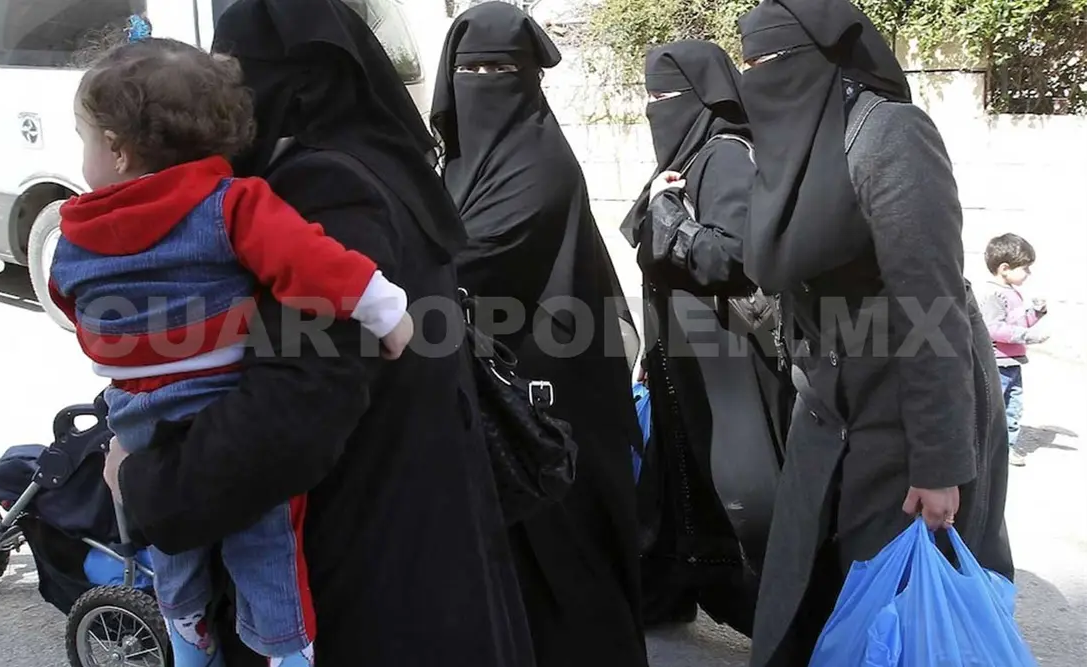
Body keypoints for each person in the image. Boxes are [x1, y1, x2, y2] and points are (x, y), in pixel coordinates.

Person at [102, 1, 535, 666]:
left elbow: (289, 414)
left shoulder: (320, 188)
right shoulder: (372, 161)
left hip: (362, 571)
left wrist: (143, 483)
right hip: (419, 537)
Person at [735, 1, 1013, 664]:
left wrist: (939, 464)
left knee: (891, 604)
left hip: (902, 410)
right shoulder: (798, 149)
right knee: (810, 585)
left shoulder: (889, 135)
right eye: (747, 67)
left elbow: (933, 304)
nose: (756, 79)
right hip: (828, 403)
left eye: (769, 62)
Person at [430, 4, 647, 666]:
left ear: (530, 78)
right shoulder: (458, 168)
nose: (486, 82)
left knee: (571, 576)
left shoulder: (538, 165)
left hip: (557, 408)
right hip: (504, 402)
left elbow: (467, 261)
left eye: (503, 69)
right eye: (471, 69)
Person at [618, 40, 792, 636]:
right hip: (685, 352)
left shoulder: (724, 156)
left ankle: (784, 616)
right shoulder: (691, 156)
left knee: (742, 486)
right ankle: (676, 590)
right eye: (649, 96)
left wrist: (669, 219)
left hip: (727, 356)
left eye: (665, 96)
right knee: (682, 478)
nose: (655, 108)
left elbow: (730, 258)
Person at [979, 233, 1049, 467]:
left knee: (1013, 407)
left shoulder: (1013, 293)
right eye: (1025, 268)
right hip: (998, 363)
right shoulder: (994, 294)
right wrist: (1030, 337)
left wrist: (1035, 315)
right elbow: (994, 328)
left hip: (1013, 362)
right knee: (994, 409)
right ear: (1005, 268)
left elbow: (1017, 325)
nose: (1028, 274)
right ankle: (986, 447)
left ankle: (1006, 448)